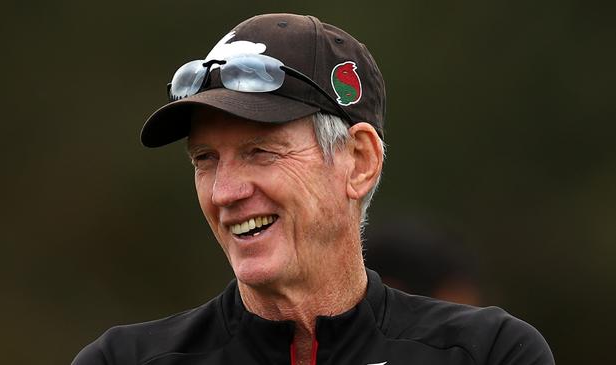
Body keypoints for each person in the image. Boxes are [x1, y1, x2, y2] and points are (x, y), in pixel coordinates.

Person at [72, 13, 554, 365]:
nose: (224, 192)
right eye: (205, 159)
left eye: (261, 151)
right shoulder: (122, 360)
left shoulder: (489, 352)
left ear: (359, 162)